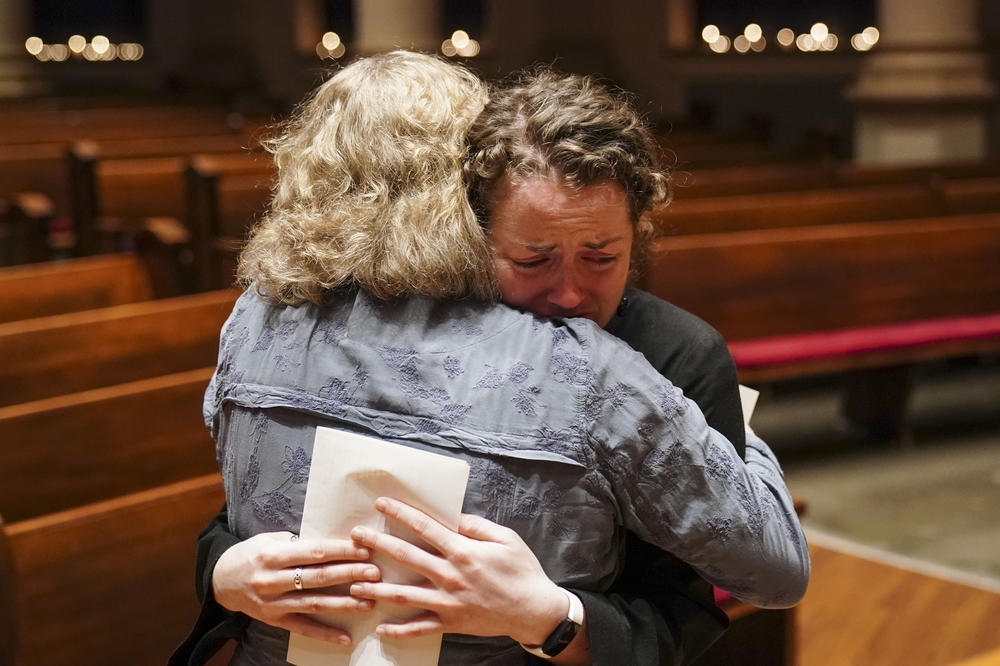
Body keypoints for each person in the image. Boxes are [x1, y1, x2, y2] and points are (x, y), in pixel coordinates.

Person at [171, 52, 808, 666]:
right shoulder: (274, 316)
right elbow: (254, 509)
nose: (568, 293)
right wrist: (225, 570)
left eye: (600, 255)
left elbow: (693, 600)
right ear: (469, 206)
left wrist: (549, 618)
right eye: (531, 259)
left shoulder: (669, 353)